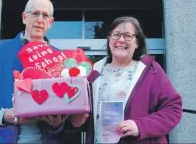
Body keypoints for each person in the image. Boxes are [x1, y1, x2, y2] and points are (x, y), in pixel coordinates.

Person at [0, 0, 68, 143]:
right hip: (2, 138)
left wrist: (57, 124)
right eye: (35, 13)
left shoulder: (59, 58)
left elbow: (65, 102)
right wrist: (2, 114)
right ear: (24, 17)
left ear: (50, 22)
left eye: (45, 15)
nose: (40, 19)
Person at [71, 16, 183, 144]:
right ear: (109, 39)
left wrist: (140, 127)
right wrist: (77, 120)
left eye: (128, 36)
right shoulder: (93, 73)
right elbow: (82, 115)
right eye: (116, 35)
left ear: (137, 43)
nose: (121, 40)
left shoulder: (152, 71)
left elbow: (173, 109)